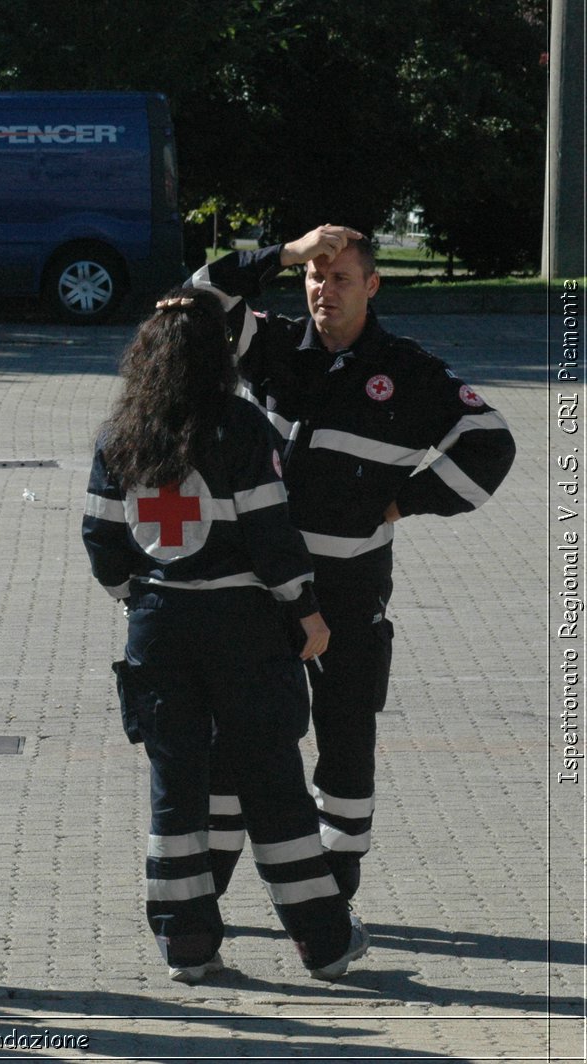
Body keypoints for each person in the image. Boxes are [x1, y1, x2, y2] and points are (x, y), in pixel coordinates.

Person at [189, 226, 516, 904]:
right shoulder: (273, 344)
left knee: (345, 733)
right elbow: (197, 300)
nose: (323, 289)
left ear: (371, 285)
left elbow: (490, 444)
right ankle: (207, 884)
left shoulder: (409, 371)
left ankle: (334, 888)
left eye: (340, 278)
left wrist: (403, 502)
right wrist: (280, 252)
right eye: (314, 275)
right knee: (233, 732)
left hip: (348, 588)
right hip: (260, 587)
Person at [82, 288, 369, 982]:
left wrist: (141, 599)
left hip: (158, 629)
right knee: (271, 780)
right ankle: (325, 945)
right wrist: (306, 611)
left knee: (176, 789)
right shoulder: (241, 427)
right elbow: (272, 535)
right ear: (218, 357)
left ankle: (188, 947)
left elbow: (101, 538)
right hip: (243, 629)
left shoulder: (122, 434)